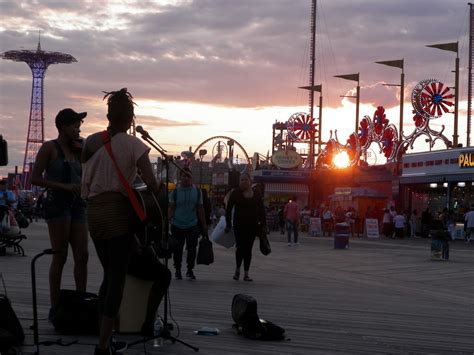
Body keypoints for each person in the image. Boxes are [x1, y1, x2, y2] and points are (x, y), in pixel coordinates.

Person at [81, 88, 161, 355]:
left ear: (107, 115)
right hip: (118, 214)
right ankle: (103, 345)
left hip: (94, 213)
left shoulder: (90, 142)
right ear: (130, 119)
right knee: (117, 279)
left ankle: (106, 336)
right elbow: (151, 183)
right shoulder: (134, 145)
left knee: (109, 274)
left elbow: (86, 181)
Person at [31, 108, 89, 322]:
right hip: (58, 204)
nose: (78, 129)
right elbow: (35, 179)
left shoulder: (80, 149)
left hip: (78, 204)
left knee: (82, 256)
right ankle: (55, 306)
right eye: (75, 125)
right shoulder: (50, 148)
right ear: (63, 127)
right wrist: (62, 186)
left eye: (79, 126)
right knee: (60, 255)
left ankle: (81, 302)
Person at [225, 173, 266, 282]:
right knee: (240, 248)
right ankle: (237, 269)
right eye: (241, 180)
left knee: (248, 249)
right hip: (239, 226)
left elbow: (262, 210)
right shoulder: (235, 193)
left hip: (252, 226)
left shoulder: (256, 193)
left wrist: (263, 225)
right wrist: (228, 224)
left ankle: (246, 273)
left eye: (245, 180)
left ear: (250, 181)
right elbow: (228, 210)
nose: (243, 182)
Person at [169, 168, 208, 281]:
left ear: (192, 178)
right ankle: (177, 270)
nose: (185, 178)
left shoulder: (197, 191)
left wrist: (204, 225)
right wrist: (166, 220)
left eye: (188, 176)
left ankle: (190, 270)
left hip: (192, 224)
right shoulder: (175, 192)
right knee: (178, 249)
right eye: (183, 176)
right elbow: (172, 208)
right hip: (177, 225)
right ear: (180, 178)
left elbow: (200, 209)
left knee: (192, 249)